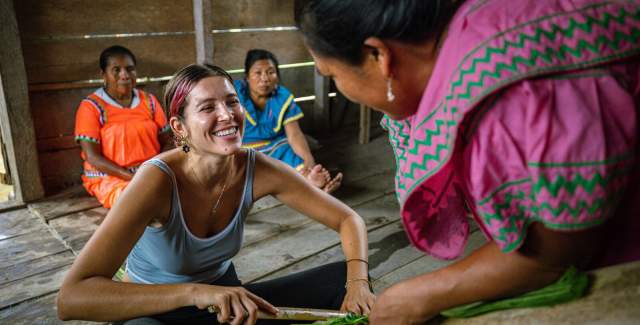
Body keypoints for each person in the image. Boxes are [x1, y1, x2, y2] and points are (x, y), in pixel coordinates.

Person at [294, 0, 640, 323]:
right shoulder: (476, 27)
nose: (341, 87)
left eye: (333, 75)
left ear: (378, 55)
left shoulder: (507, 101)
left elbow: (555, 257)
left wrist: (418, 295)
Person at [57, 64, 375, 325]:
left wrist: (358, 280)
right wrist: (194, 293)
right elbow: (71, 298)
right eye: (208, 107)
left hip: (226, 304)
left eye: (231, 102)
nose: (226, 115)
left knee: (341, 280)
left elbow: (347, 218)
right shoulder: (155, 180)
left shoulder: (256, 167)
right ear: (179, 127)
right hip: (154, 310)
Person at [74, 45, 172, 208]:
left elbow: (168, 141)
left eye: (130, 69)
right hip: (110, 178)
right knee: (139, 202)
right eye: (116, 70)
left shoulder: (150, 101)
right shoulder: (91, 107)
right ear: (103, 75)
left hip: (150, 173)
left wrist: (156, 170)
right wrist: (134, 178)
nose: (125, 75)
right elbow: (93, 157)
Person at [235, 49, 342, 193]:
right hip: (243, 148)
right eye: (258, 73)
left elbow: (294, 135)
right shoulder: (234, 93)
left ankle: (311, 180)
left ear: (277, 76)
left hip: (275, 145)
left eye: (271, 72)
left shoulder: (282, 97)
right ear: (247, 77)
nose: (265, 78)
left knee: (288, 148)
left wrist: (309, 162)